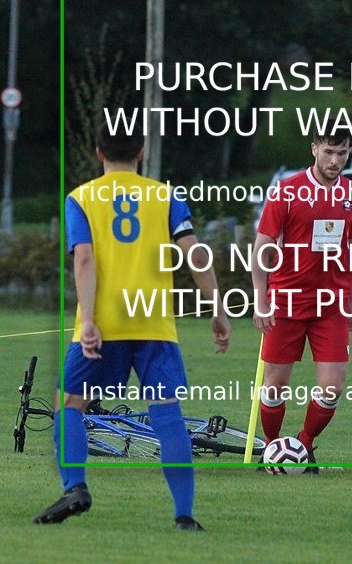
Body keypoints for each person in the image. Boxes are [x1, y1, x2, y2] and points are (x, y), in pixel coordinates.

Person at [34, 121, 231, 528]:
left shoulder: (81, 198)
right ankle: (184, 515)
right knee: (167, 413)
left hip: (103, 322)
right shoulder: (166, 197)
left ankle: (75, 486)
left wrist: (87, 319)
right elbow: (195, 255)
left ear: (99, 152)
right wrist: (216, 308)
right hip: (153, 322)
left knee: (69, 403)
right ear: (141, 153)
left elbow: (84, 259)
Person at [251, 127, 352, 470]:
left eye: (342, 153)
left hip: (331, 304)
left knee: (332, 386)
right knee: (275, 385)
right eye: (329, 152)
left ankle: (303, 445)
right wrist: (260, 297)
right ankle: (273, 449)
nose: (335, 160)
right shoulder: (286, 192)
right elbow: (262, 247)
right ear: (314, 149)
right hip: (286, 300)